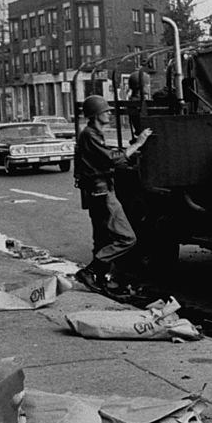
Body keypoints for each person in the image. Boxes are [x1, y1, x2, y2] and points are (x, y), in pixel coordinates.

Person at [74, 95, 153, 293]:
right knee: (127, 238)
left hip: (98, 190)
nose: (109, 113)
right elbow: (110, 158)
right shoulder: (90, 135)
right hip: (102, 191)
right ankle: (91, 271)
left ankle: (100, 279)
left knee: (102, 238)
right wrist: (138, 144)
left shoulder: (92, 135)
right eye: (105, 111)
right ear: (95, 115)